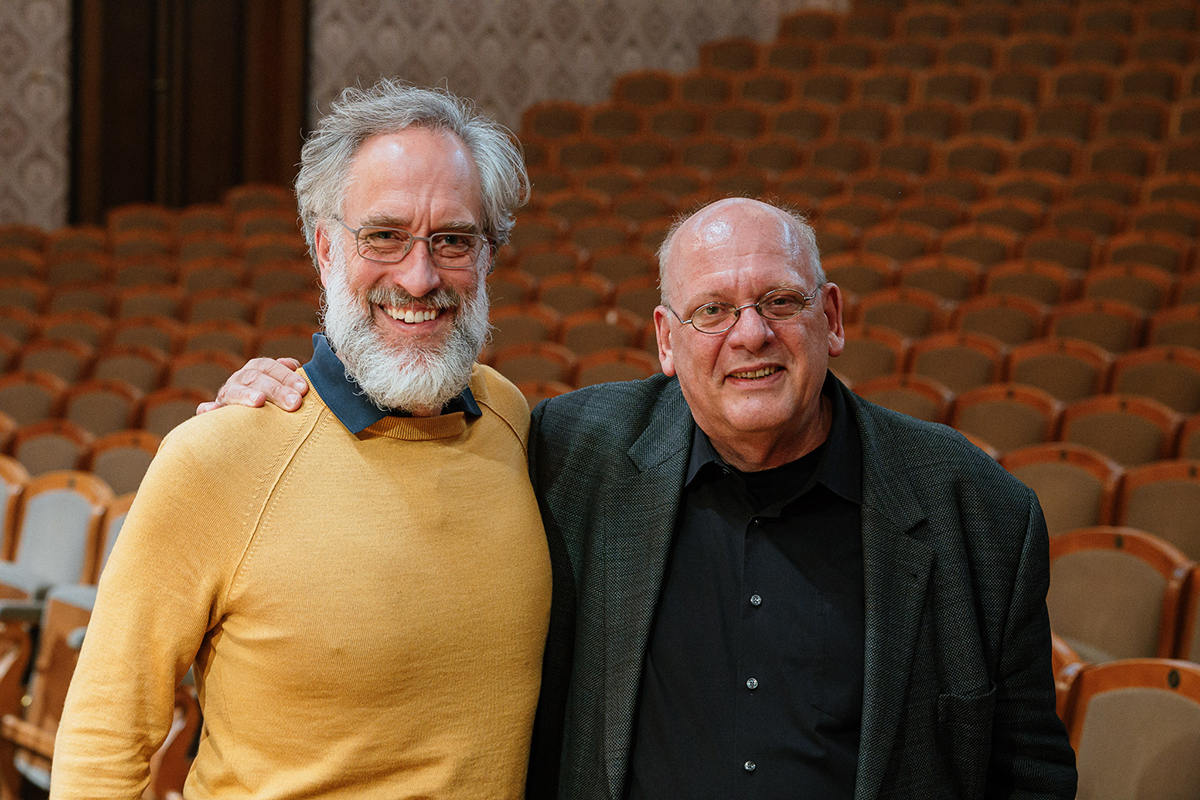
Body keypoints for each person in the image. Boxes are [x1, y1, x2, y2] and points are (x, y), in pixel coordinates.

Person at [207, 198, 1078, 799]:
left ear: (834, 319)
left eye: (780, 300)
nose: (750, 334)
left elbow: (1028, 776)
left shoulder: (981, 516)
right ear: (665, 340)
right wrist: (284, 406)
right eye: (712, 311)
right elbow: (409, 444)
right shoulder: (569, 454)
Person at [51, 81, 551, 799]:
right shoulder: (218, 456)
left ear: (487, 257)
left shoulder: (509, 418)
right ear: (324, 247)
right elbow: (102, 746)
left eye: (453, 241)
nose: (419, 276)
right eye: (383, 235)